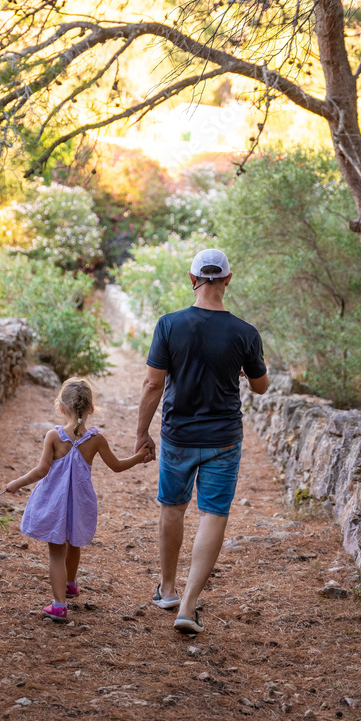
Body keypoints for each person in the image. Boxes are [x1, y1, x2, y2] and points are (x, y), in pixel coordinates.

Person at [135, 248, 269, 635]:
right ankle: (189, 607)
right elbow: (261, 387)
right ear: (228, 279)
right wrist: (244, 369)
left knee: (173, 507)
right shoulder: (245, 332)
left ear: (191, 278)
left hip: (178, 435)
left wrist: (142, 432)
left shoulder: (169, 325)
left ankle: (168, 589)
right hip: (224, 437)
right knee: (213, 514)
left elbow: (152, 384)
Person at [5, 377, 148, 623]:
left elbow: (41, 471)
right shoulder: (96, 439)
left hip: (55, 503)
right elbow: (116, 466)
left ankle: (59, 605)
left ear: (62, 407)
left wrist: (16, 483)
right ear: (91, 409)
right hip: (81, 501)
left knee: (56, 554)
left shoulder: (53, 436)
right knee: (75, 542)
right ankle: (70, 584)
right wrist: (139, 456)